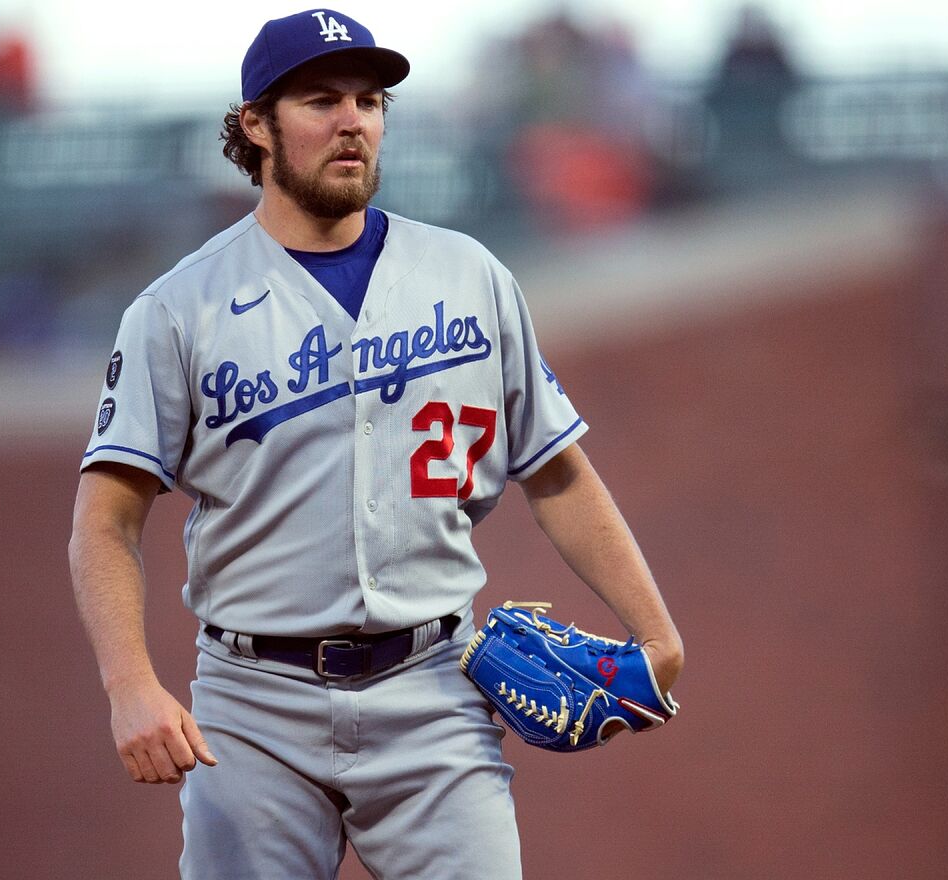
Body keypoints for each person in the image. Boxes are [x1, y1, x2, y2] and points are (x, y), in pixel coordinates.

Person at [68, 9, 683, 879]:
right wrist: (129, 683)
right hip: (253, 703)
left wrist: (657, 634)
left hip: (433, 689)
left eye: (370, 99)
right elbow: (105, 521)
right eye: (321, 99)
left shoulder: (468, 276)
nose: (353, 119)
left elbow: (558, 472)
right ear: (256, 124)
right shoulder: (179, 308)